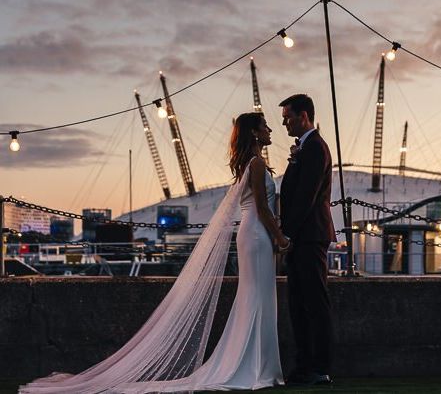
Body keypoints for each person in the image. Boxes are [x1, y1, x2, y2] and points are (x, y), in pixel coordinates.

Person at [20, 112, 288, 393]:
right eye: (265, 126)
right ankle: (256, 367)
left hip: (251, 234)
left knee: (254, 297)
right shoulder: (256, 165)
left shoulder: (251, 165)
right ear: (255, 133)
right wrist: (281, 238)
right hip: (257, 235)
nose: (270, 130)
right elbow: (262, 207)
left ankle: (255, 364)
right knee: (257, 297)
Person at [278, 94, 337, 386]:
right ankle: (304, 365)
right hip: (303, 236)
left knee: (314, 302)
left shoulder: (315, 148)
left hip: (310, 236)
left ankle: (320, 367)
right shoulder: (306, 147)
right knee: (298, 303)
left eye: (287, 117)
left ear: (303, 116)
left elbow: (305, 196)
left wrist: (285, 233)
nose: (284, 123)